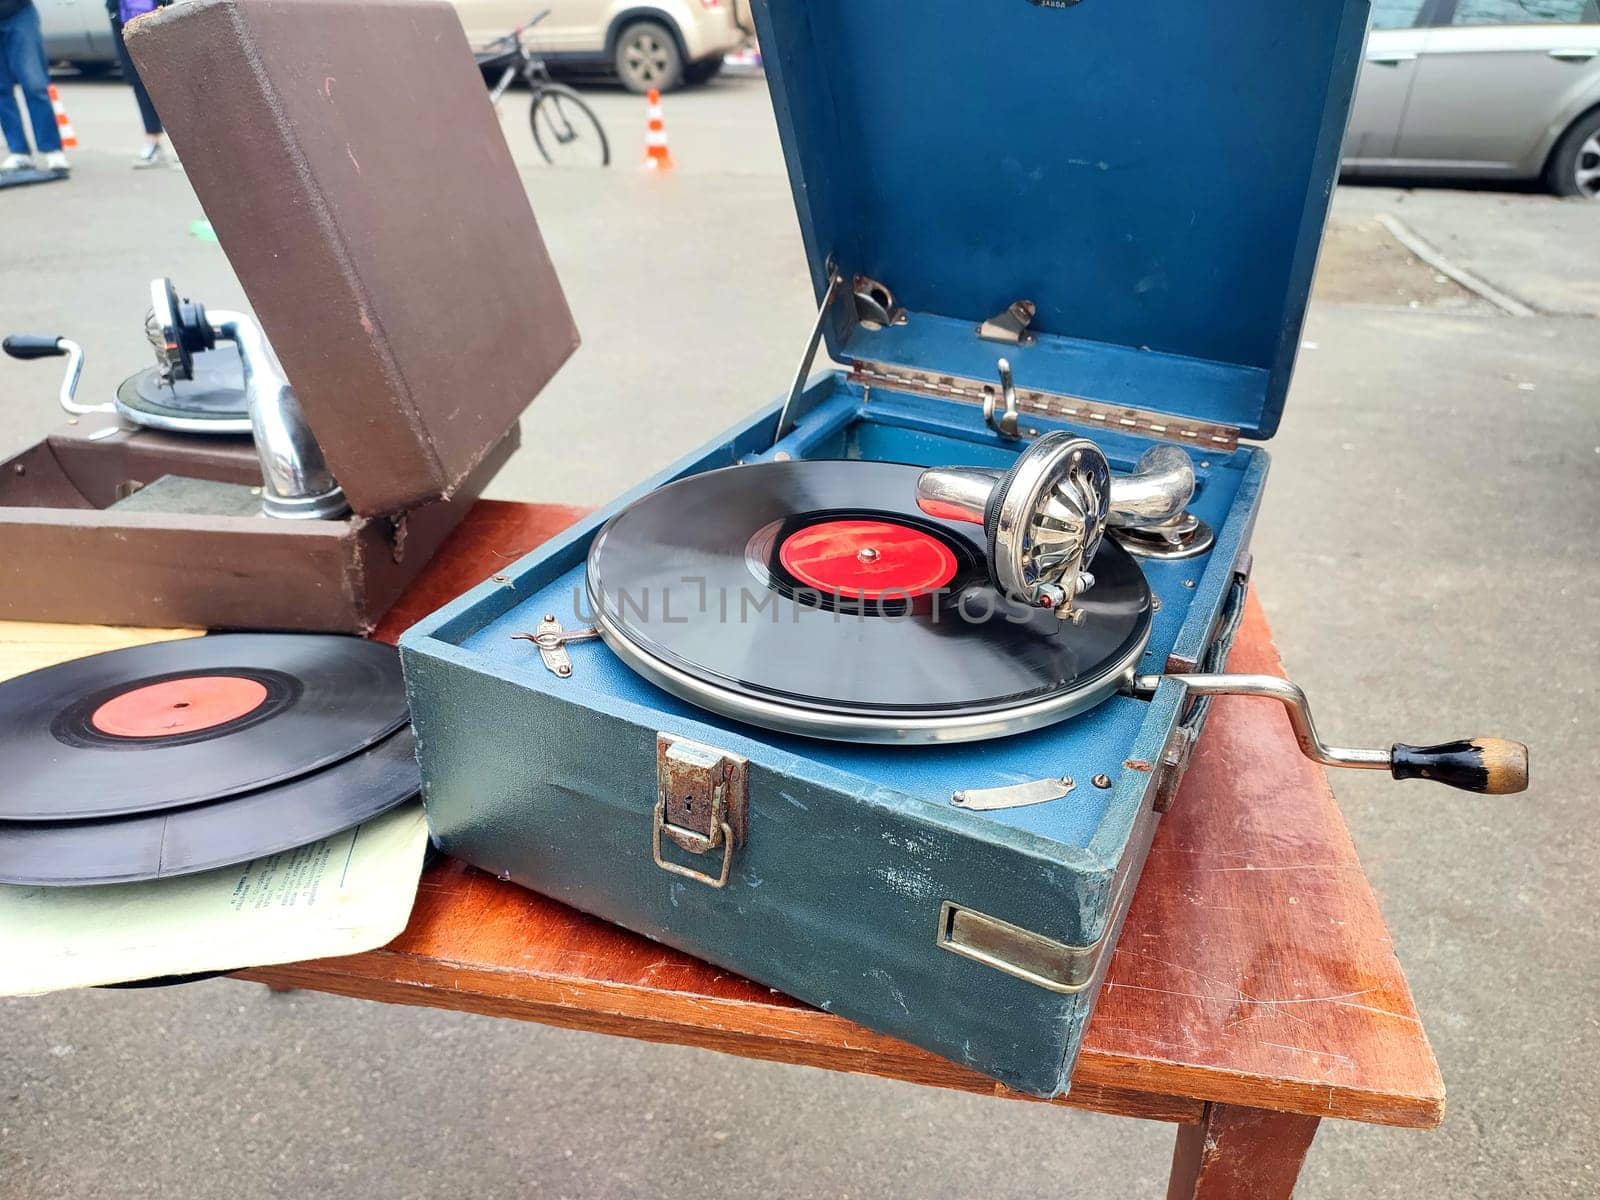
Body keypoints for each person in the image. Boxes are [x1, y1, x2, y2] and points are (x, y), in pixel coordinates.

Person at [0, 0, 68, 173]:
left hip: (19, 13)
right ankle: (19, 152)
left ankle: (52, 149)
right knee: (1, 89)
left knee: (35, 84)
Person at [108, 0, 171, 167]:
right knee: (137, 79)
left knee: (169, 79)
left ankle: (189, 144)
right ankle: (153, 140)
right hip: (124, 17)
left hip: (157, 14)